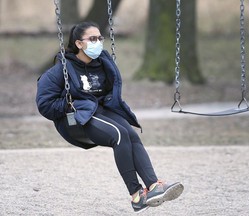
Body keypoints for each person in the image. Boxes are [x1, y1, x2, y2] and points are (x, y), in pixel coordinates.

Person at [36, 21, 184, 213]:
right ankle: (137, 195)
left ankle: (154, 186)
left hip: (100, 111)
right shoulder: (58, 71)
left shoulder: (103, 64)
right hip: (77, 117)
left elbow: (110, 91)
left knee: (131, 134)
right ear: (79, 44)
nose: (98, 42)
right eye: (92, 39)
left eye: (100, 38)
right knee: (119, 135)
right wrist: (69, 104)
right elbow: (45, 105)